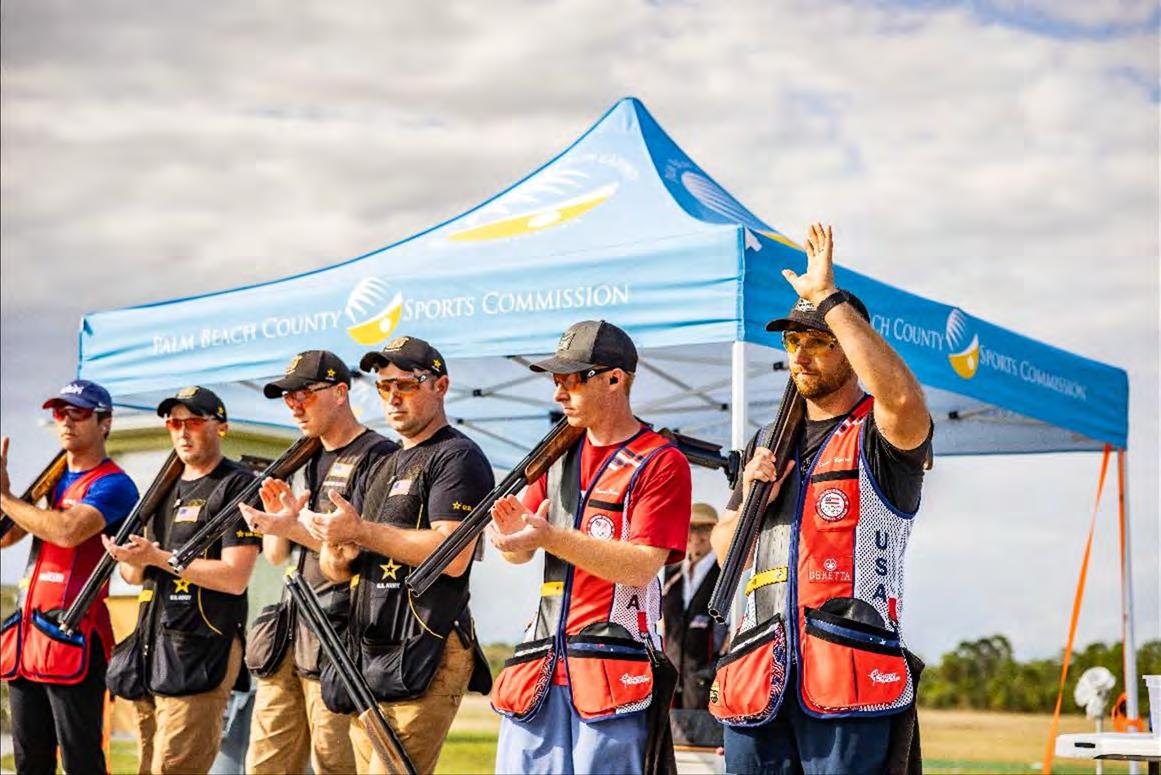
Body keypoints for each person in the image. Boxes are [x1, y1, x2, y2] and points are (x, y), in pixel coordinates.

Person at [708, 223, 933, 775]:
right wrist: (754, 499)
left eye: (819, 342)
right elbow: (724, 551)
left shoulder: (879, 433)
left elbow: (904, 400)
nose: (801, 356)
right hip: (758, 673)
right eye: (793, 342)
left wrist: (830, 300)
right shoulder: (769, 439)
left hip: (849, 672)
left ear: (852, 351)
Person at [488, 320, 693, 775]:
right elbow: (519, 551)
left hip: (612, 670)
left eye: (571, 380)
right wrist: (509, 538)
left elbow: (641, 566)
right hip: (540, 667)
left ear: (615, 379)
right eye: (556, 381)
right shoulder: (556, 457)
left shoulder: (660, 461)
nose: (558, 393)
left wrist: (549, 537)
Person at [299, 335, 495, 774]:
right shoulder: (381, 464)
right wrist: (339, 548)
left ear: (440, 386)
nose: (392, 397)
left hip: (427, 647)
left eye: (406, 384)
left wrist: (362, 532)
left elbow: (452, 554)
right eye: (384, 386)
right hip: (371, 649)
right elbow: (335, 566)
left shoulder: (458, 456)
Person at [238, 350, 397, 774]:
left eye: (304, 394)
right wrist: (276, 522)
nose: (294, 405)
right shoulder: (302, 456)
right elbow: (277, 555)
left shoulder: (379, 456)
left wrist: (290, 525)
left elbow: (353, 550)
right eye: (288, 397)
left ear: (341, 392)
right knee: (263, 766)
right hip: (290, 631)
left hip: (340, 637)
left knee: (334, 764)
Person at [103, 386, 261, 774]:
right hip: (150, 649)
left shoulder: (237, 485)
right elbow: (133, 574)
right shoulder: (162, 486)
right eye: (175, 423)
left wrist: (158, 557)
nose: (183, 431)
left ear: (221, 427)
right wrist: (130, 559)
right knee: (147, 766)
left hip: (202, 649)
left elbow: (235, 577)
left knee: (174, 768)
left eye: (194, 421)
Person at [0, 380, 139, 775]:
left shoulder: (114, 483)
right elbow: (6, 536)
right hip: (29, 638)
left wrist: (6, 498)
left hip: (75, 636)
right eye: (60, 413)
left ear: (105, 422)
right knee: (29, 762)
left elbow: (67, 531)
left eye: (78, 413)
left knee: (81, 761)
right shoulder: (54, 477)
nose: (65, 421)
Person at [662, 502, 727, 711]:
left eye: (704, 528)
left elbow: (729, 631)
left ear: (715, 532)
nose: (696, 535)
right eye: (691, 527)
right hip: (671, 686)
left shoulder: (724, 573)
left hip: (708, 686)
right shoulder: (670, 573)